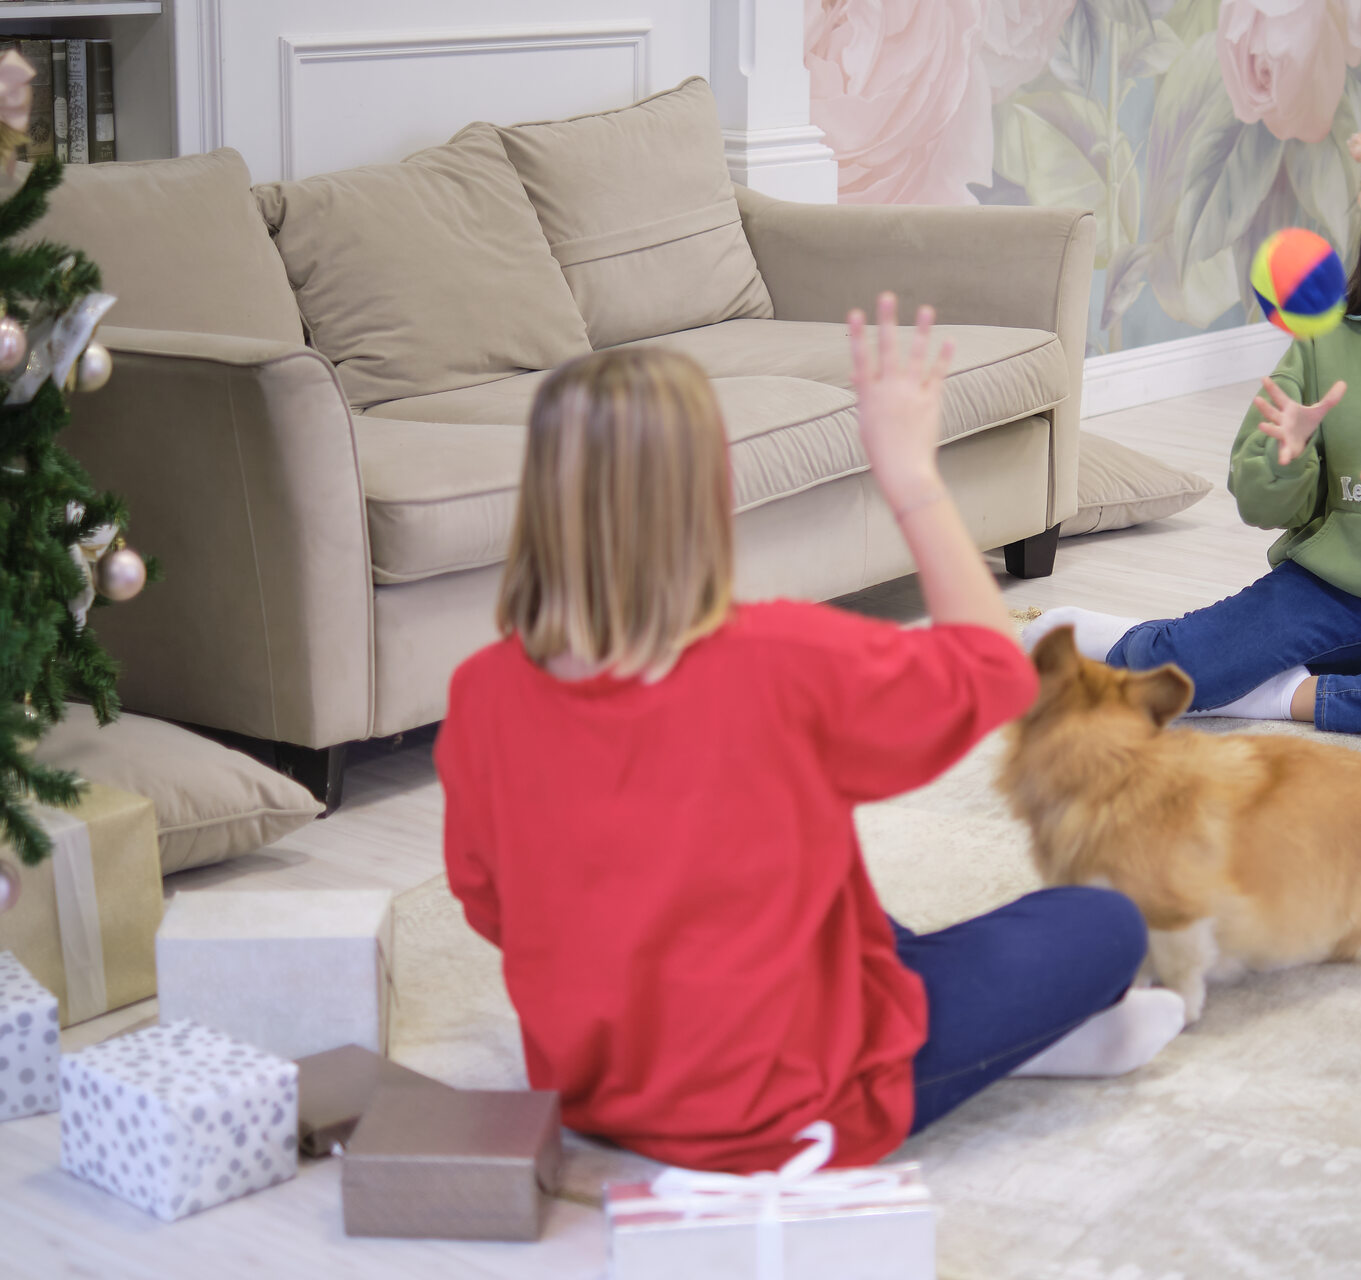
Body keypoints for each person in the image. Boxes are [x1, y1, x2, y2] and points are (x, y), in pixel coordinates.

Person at [435, 294, 1185, 1175]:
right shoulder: (781, 657)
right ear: (704, 496)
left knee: (829, 898)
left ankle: (998, 1036)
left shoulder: (482, 691)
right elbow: (994, 671)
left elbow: (489, 902)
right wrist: (911, 474)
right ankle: (1020, 1048)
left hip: (592, 1096)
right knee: (1102, 921)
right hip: (787, 1114)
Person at [1031, 134, 1361, 749]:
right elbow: (1259, 505)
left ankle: (1285, 696)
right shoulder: (1328, 334)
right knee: (1170, 675)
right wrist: (1284, 459)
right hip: (1322, 596)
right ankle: (1099, 636)